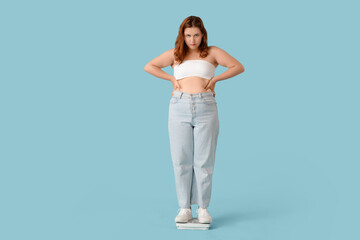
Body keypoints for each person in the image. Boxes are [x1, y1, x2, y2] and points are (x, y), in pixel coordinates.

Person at [144, 16, 245, 224]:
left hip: (206, 106)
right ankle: (184, 208)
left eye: (196, 35)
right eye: (188, 35)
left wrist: (215, 79)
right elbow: (150, 66)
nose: (192, 39)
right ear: (182, 35)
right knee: (181, 160)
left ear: (203, 35)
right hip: (179, 106)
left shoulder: (212, 52)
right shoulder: (176, 54)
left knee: (204, 161)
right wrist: (172, 79)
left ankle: (203, 208)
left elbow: (237, 66)